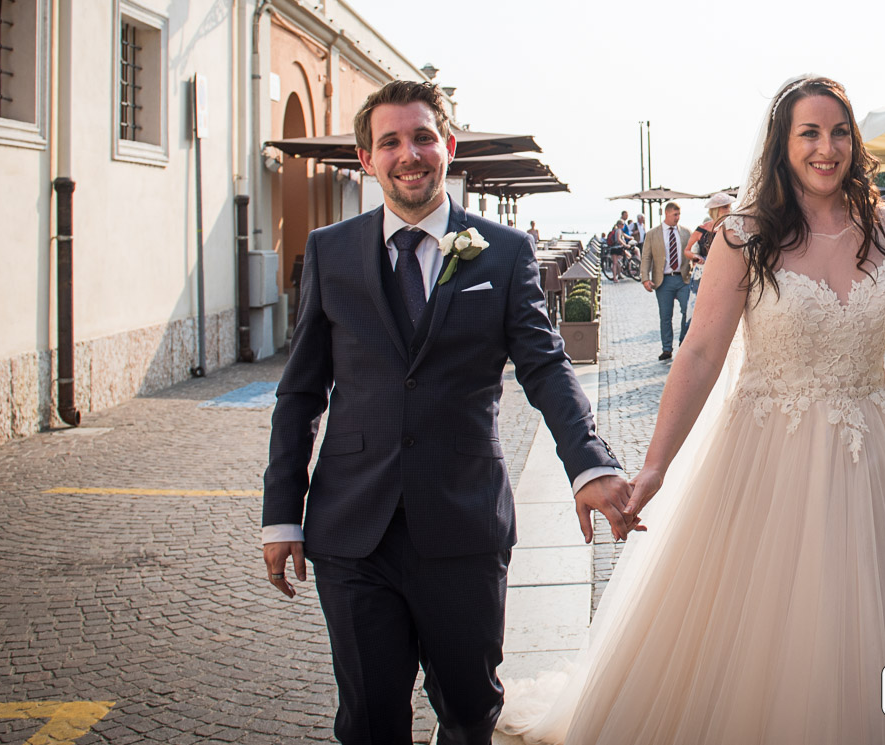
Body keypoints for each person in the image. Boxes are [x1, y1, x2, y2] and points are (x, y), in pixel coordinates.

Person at [499, 75, 885, 744]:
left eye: (839, 131)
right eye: (810, 133)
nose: (827, 147)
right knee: (767, 633)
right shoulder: (745, 234)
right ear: (781, 143)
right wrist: (653, 468)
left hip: (877, 456)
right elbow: (702, 354)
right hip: (768, 456)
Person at [262, 80, 634, 745]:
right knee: (369, 720)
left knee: (467, 712)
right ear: (366, 157)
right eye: (391, 141)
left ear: (448, 146)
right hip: (353, 531)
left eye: (423, 136)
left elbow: (546, 367)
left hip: (462, 525)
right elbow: (299, 392)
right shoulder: (331, 251)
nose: (409, 153)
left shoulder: (504, 251)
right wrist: (281, 511)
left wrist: (589, 464)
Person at [639, 202, 693, 360]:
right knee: (665, 316)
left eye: (679, 215)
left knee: (687, 311)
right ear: (667, 214)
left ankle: (683, 343)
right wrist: (645, 279)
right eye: (675, 215)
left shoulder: (686, 232)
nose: (677, 218)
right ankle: (667, 348)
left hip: (683, 278)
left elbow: (692, 252)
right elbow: (646, 257)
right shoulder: (653, 234)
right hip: (663, 281)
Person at [685, 191, 735, 308]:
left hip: (725, 273)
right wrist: (695, 256)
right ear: (716, 210)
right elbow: (687, 250)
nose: (729, 210)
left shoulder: (732, 228)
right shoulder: (702, 229)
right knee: (700, 307)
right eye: (725, 207)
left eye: (729, 207)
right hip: (703, 274)